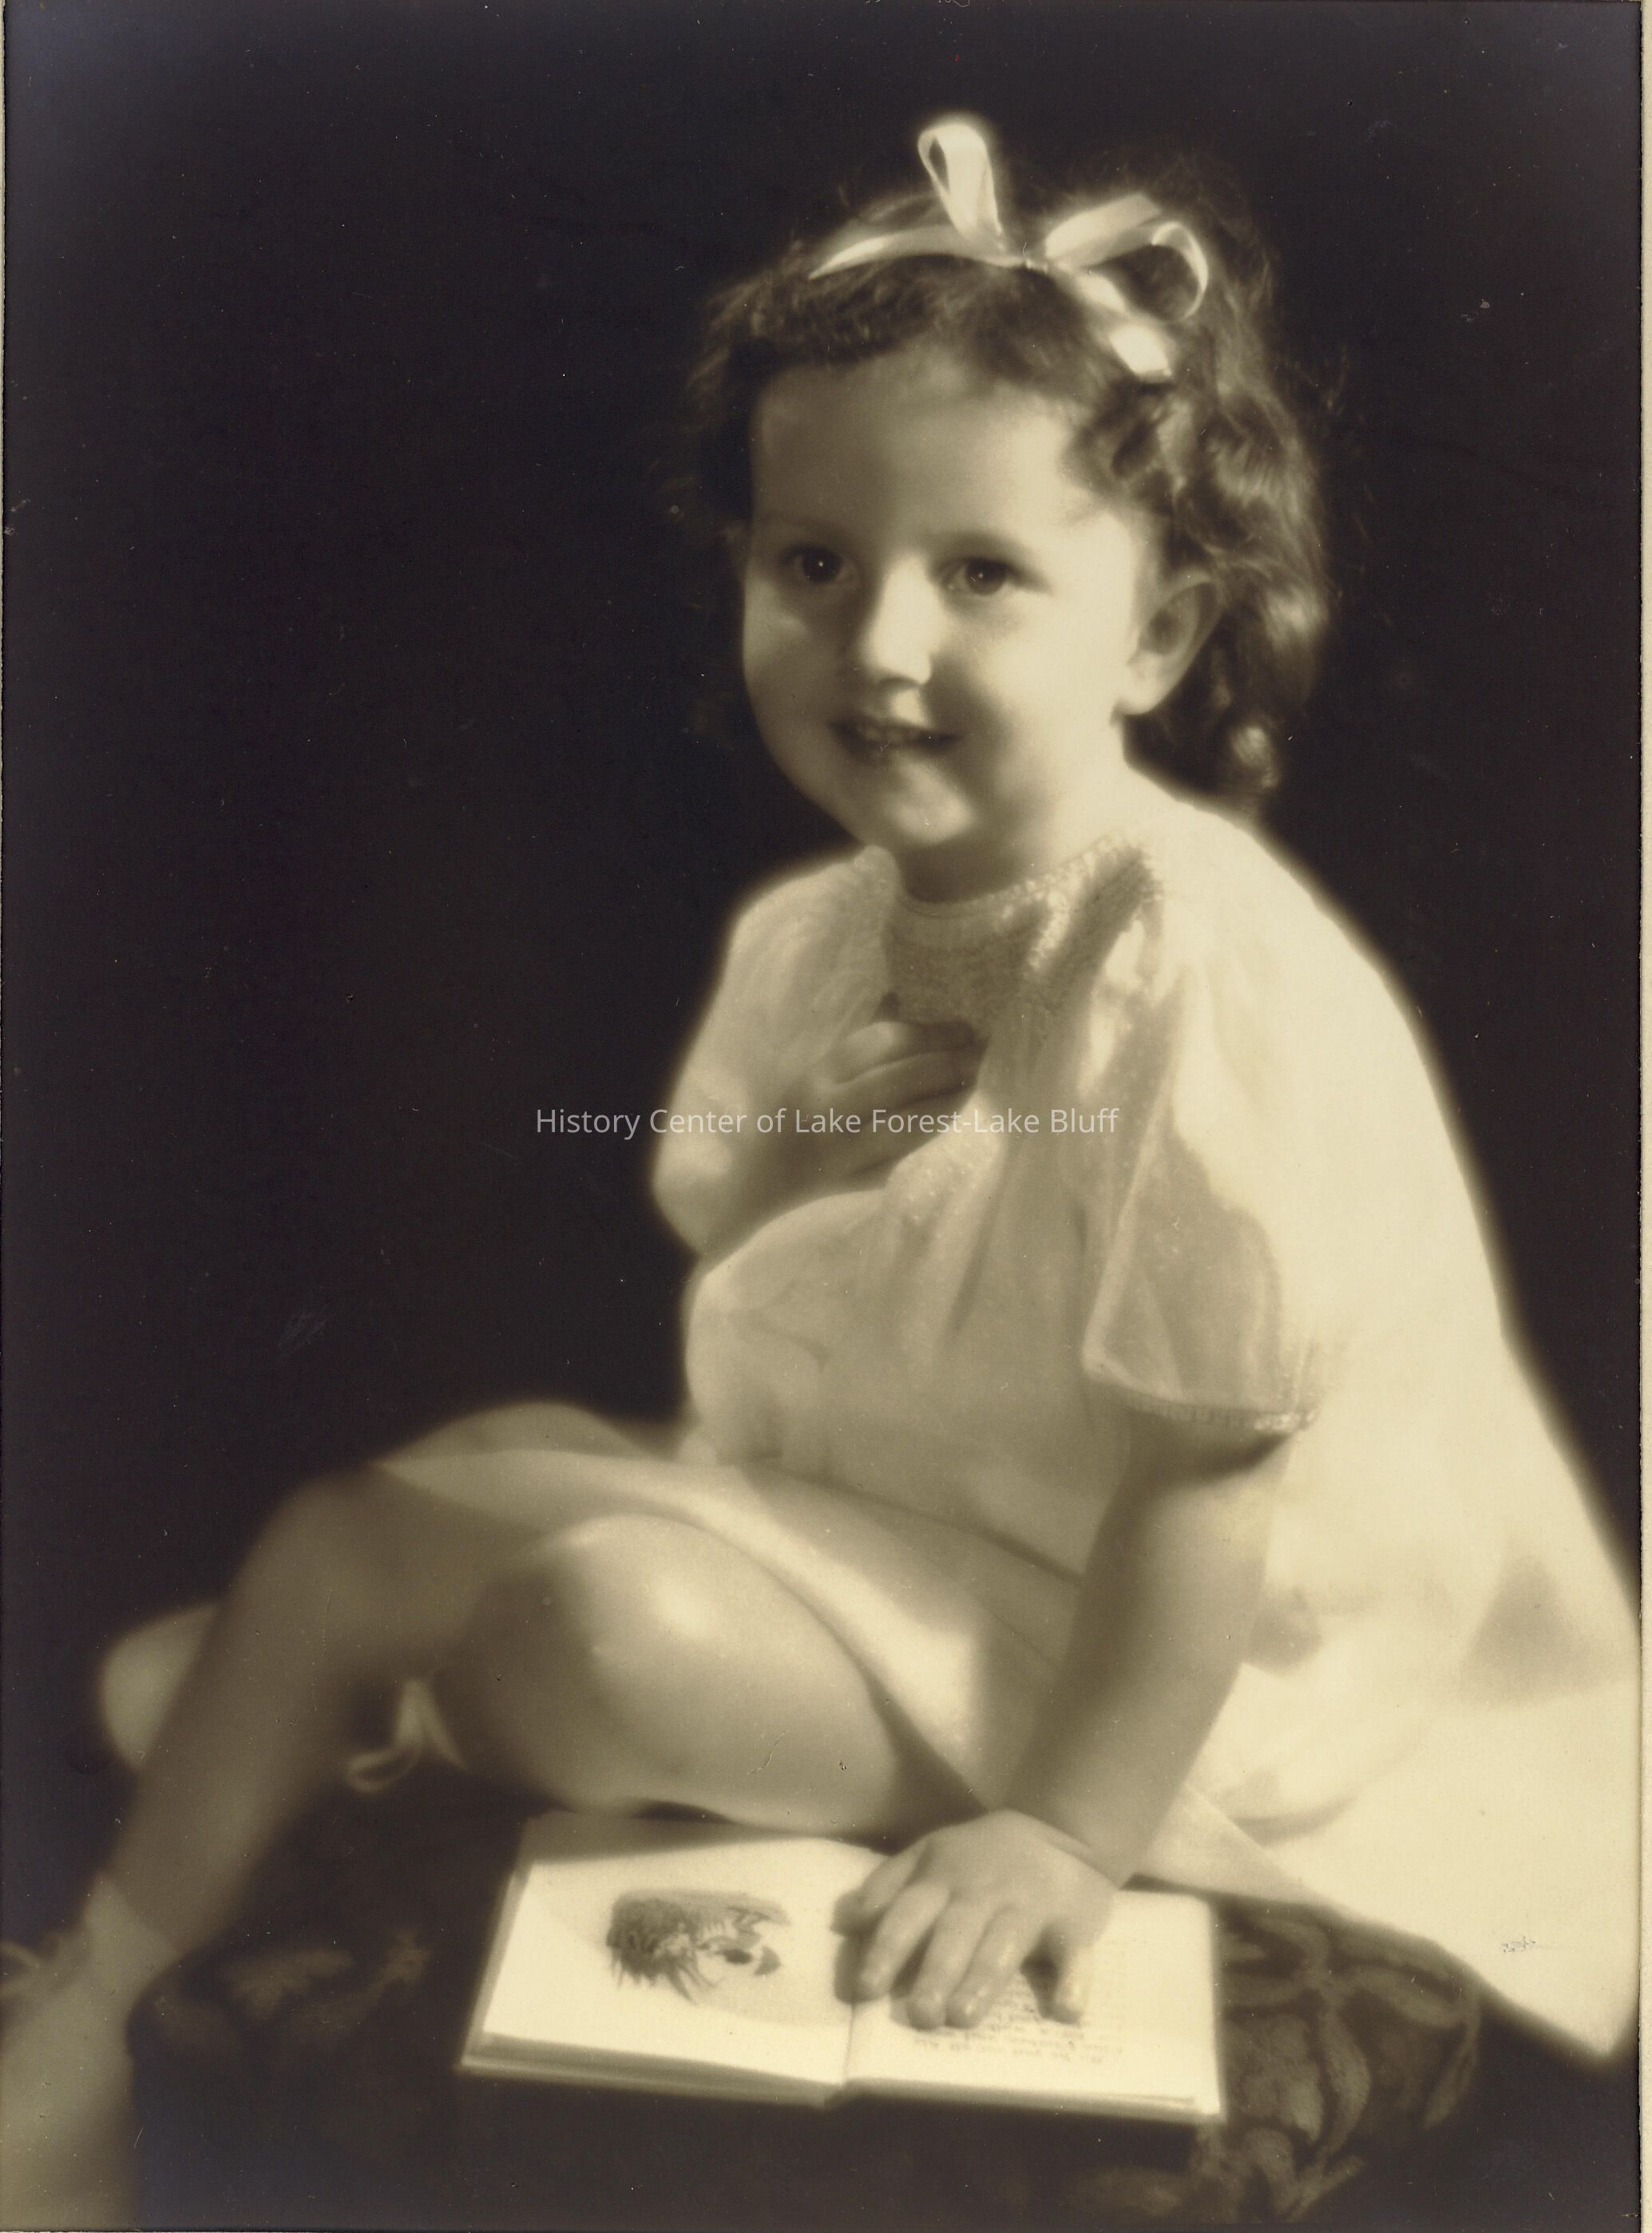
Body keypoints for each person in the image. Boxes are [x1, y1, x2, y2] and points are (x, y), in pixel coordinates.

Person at [2, 113, 1635, 2228]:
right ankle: (84, 2007)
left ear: (1156, 636)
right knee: (349, 1527)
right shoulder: (825, 929)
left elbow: (1207, 1486)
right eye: (815, 565)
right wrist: (800, 1157)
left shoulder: (1199, 976)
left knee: (591, 1636)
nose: (878, 647)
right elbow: (734, 1227)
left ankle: (404, 1716)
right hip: (919, 1524)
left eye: (983, 576)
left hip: (1195, 1657)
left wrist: (1061, 1831)